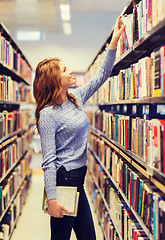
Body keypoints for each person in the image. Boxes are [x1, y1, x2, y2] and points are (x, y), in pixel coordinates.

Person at [33, 16, 125, 240]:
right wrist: (52, 199)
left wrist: (113, 42)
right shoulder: (48, 114)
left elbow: (102, 75)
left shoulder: (76, 97)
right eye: (65, 70)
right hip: (64, 181)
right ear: (55, 79)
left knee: (88, 236)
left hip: (78, 180)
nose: (71, 71)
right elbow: (49, 160)